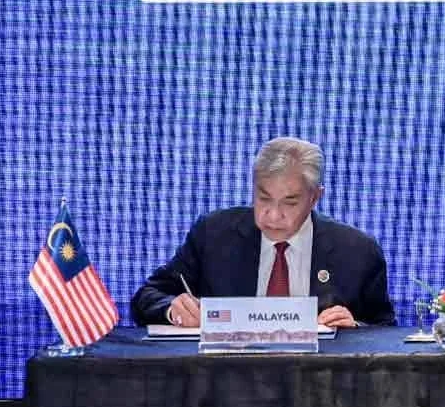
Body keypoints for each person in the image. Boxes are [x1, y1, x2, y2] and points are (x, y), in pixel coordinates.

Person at [131, 137, 395, 328]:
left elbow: (386, 333)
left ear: (315, 197)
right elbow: (147, 297)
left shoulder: (357, 251)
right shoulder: (214, 235)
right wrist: (172, 309)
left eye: (289, 202)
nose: (272, 215)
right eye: (264, 198)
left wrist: (356, 329)